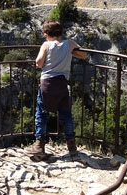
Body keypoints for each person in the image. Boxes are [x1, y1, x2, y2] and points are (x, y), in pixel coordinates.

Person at [28, 20, 87, 159]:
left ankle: (39, 145)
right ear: (60, 32)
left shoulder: (46, 45)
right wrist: (70, 53)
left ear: (47, 34)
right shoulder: (70, 44)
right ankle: (72, 147)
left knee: (41, 114)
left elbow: (38, 63)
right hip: (62, 83)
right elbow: (84, 55)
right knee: (66, 115)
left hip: (47, 84)